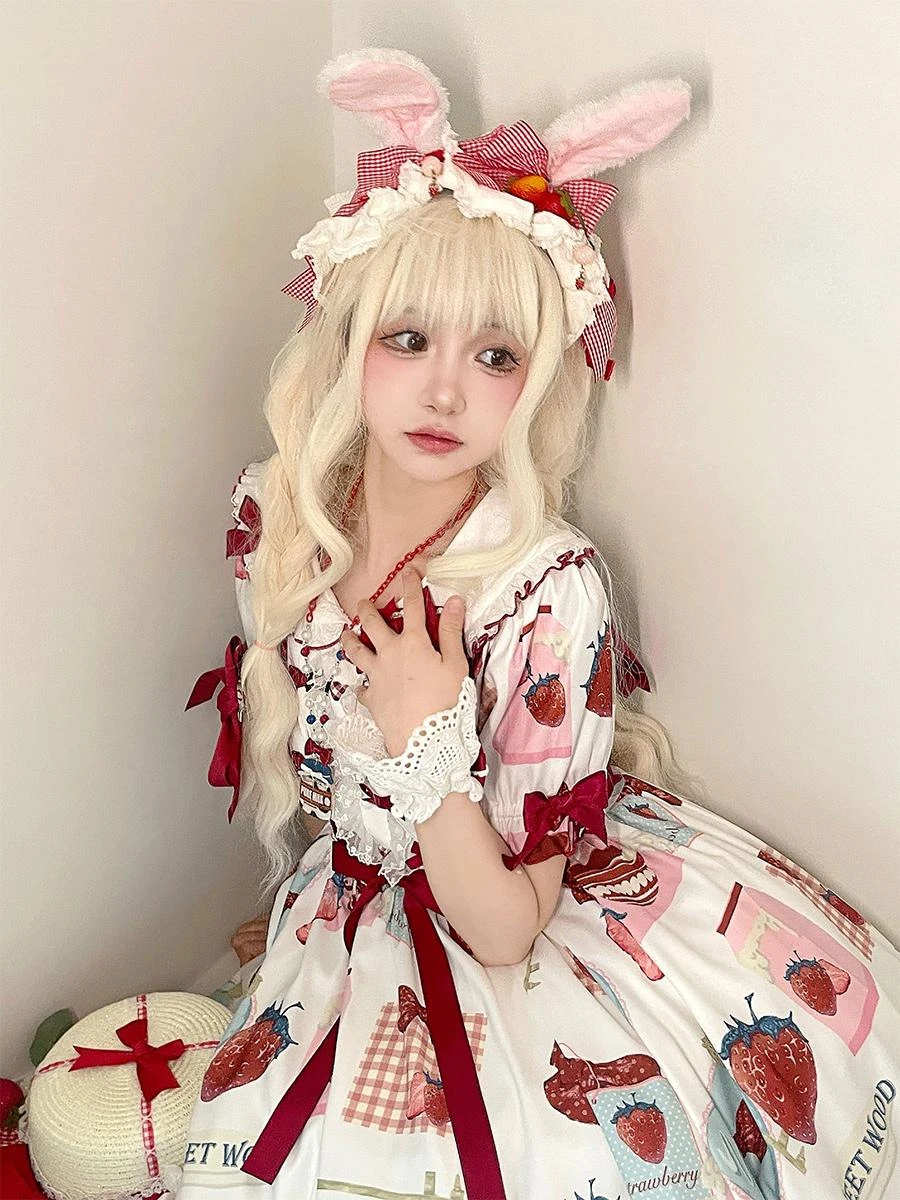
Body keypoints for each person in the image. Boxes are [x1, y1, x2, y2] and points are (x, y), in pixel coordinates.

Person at [179, 49, 900, 1200]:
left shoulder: (548, 584)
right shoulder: (278, 517)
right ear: (346, 336)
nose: (446, 392)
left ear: (539, 377)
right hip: (358, 906)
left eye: (495, 355)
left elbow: (508, 930)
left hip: (514, 906)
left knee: (562, 1160)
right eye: (408, 338)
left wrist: (426, 736)